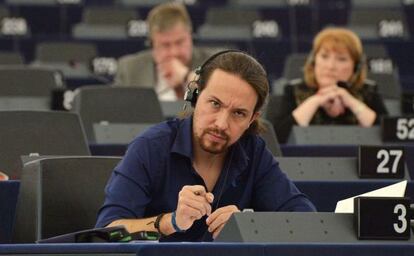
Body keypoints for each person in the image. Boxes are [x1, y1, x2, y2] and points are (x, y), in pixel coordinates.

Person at [96, 51, 316, 242]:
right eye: (215, 104)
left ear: (252, 119)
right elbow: (107, 234)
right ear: (194, 95)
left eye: (238, 113)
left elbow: (306, 221)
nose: (221, 124)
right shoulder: (150, 148)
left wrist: (250, 223)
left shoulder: (253, 151)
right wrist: (169, 222)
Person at [272, 27, 388, 143]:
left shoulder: (368, 91)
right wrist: (315, 101)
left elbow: (388, 135)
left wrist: (350, 100)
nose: (330, 66)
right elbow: (277, 139)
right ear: (313, 61)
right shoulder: (294, 90)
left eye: (341, 59)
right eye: (324, 56)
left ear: (356, 67)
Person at [114, 2, 217, 101]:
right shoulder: (129, 69)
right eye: (165, 45)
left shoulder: (215, 62)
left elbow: (223, 94)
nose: (174, 52)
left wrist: (186, 77)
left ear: (190, 37)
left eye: (179, 42)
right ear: (152, 44)